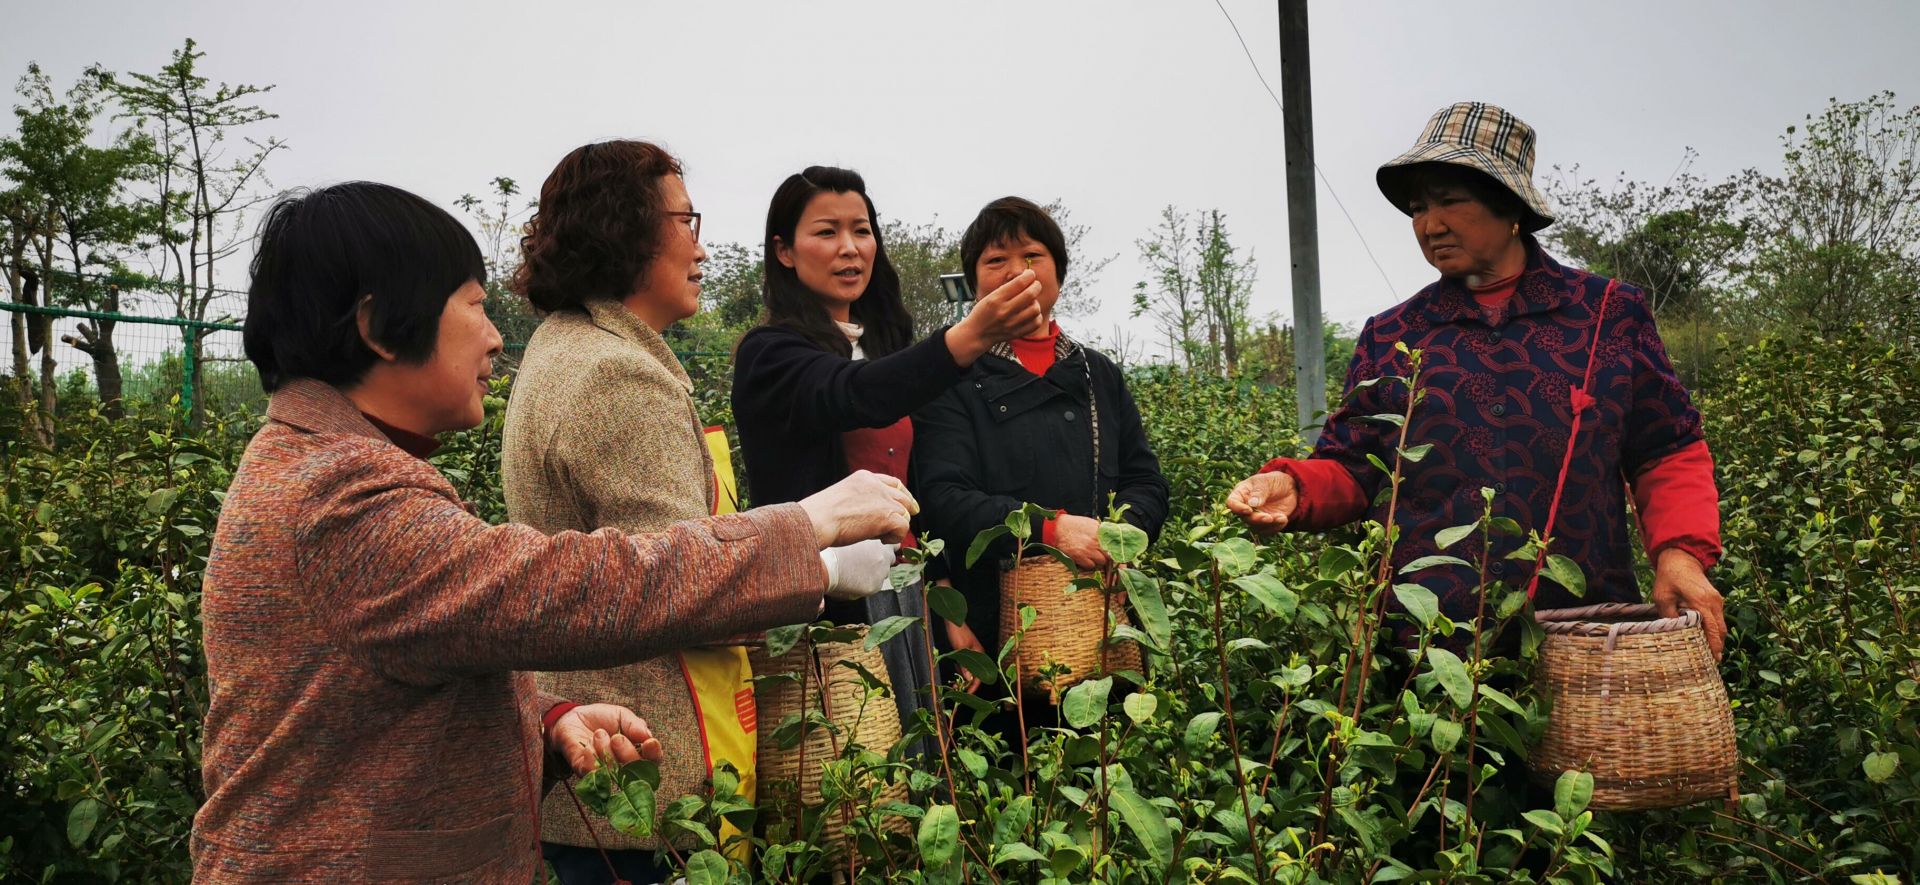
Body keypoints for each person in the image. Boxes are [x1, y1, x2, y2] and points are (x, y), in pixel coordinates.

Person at [195, 180, 913, 883]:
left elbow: (357, 708)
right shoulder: (342, 496)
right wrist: (807, 531)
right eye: (474, 308)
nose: (495, 338)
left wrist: (539, 720)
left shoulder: (318, 463)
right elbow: (574, 586)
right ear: (379, 327)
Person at [499, 141, 897, 883]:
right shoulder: (615, 375)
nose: (703, 247)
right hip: (649, 788)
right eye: (686, 221)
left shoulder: (570, 349)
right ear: (626, 229)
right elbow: (674, 582)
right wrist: (824, 562)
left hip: (607, 782)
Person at [1226, 101, 1727, 656]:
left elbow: (1667, 450)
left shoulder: (1606, 314)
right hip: (1427, 647)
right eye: (1417, 207)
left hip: (1582, 636)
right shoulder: (1394, 335)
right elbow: (1354, 465)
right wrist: (1295, 488)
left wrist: (1680, 555)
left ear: (1509, 206)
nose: (1429, 224)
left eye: (1450, 201)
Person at [730, 167, 1044, 743]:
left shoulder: (885, 351)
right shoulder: (771, 354)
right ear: (784, 251)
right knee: (848, 772)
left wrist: (948, 613)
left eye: (862, 230)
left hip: (904, 599)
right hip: (826, 606)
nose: (850, 248)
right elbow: (852, 395)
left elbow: (916, 488)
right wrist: (969, 337)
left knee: (920, 762)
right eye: (827, 232)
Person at [911, 196, 1169, 728]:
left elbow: (1146, 481)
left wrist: (1122, 539)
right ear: (974, 281)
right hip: (995, 622)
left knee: (1104, 764)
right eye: (995, 260)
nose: (1017, 272)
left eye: (1032, 255)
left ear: (1058, 270)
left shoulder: (1099, 375)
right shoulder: (950, 377)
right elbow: (942, 497)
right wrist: (1050, 529)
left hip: (1102, 612)